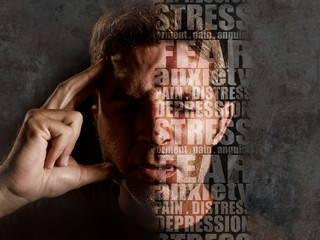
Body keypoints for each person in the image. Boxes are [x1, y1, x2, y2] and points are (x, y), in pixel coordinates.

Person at [0, 1, 291, 240]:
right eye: (127, 107)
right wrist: (9, 190)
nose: (154, 133)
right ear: (95, 119)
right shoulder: (33, 228)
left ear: (221, 123)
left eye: (183, 106)